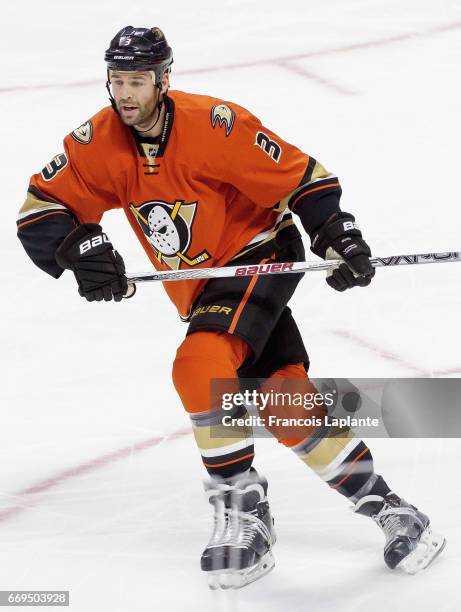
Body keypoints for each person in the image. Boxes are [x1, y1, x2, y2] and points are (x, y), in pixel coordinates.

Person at [17, 26, 445, 589]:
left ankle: (243, 511)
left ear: (163, 79)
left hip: (258, 258)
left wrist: (338, 237)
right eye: (117, 80)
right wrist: (82, 250)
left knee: (198, 366)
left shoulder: (214, 125)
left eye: (137, 80)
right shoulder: (98, 142)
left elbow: (303, 180)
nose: (125, 93)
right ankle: (393, 511)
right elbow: (40, 209)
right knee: (283, 402)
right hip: (199, 291)